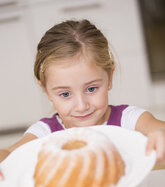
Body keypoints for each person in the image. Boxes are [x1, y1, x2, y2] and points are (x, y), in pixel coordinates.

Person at [0, 19, 165, 178]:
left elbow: (159, 129)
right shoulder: (45, 132)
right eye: (65, 94)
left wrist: (159, 134)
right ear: (46, 91)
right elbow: (9, 153)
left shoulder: (128, 119)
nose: (81, 106)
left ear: (109, 77)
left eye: (91, 89)